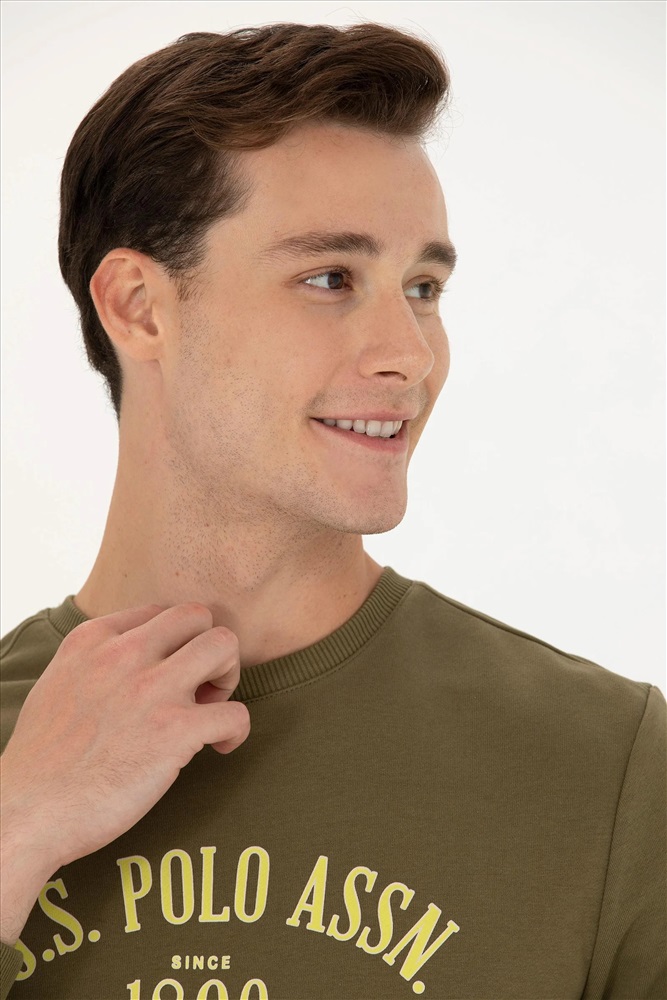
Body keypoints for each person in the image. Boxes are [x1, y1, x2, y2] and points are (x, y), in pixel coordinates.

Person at [0, 20, 664, 1000]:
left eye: (423, 287)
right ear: (139, 305)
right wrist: (18, 827)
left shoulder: (608, 770)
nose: (410, 353)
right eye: (329, 279)